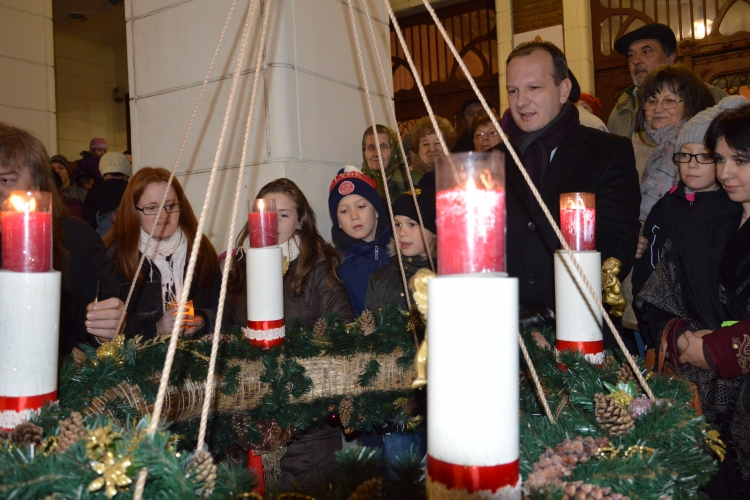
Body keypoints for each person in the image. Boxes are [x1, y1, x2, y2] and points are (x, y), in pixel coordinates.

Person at [501, 41, 641, 351]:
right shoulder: (494, 160)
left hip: (580, 333)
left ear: (563, 90)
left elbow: (616, 243)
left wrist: (551, 309)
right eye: (513, 91)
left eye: (533, 87)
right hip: (505, 332)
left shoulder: (607, 152)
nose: (521, 101)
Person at [641, 102, 750, 499]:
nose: (725, 173)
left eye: (741, 161)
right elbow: (656, 293)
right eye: (720, 159)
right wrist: (681, 337)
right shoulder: (702, 217)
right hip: (701, 396)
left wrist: (717, 349)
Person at [0, 122, 123, 354]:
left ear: (36, 187)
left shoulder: (78, 240)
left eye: (6, 180)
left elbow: (91, 334)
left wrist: (106, 328)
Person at [632, 96, 747, 302]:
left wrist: (723, 333)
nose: (692, 165)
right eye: (684, 155)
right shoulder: (666, 205)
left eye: (705, 156)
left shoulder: (729, 210)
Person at [103, 167, 220, 340]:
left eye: (170, 205)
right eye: (152, 208)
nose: (164, 215)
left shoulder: (200, 248)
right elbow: (105, 327)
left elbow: (221, 309)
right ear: (134, 211)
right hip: (136, 364)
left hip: (194, 359)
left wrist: (202, 320)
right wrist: (156, 326)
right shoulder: (113, 255)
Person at [224, 177, 355, 328]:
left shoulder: (318, 266)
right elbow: (222, 332)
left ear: (299, 222)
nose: (272, 223)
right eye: (266, 214)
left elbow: (342, 327)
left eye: (283, 215)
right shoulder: (238, 267)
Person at [608, 23, 726, 138]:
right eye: (631, 55)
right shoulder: (620, 110)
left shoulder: (711, 96)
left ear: (669, 59)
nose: (635, 61)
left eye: (646, 52)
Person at [634, 65, 715, 220]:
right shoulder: (632, 143)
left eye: (670, 100)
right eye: (652, 101)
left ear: (691, 104)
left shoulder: (705, 144)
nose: (658, 108)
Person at [364, 179, 436, 312]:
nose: (402, 233)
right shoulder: (379, 279)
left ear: (435, 231)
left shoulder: (448, 279)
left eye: (412, 224)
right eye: (397, 224)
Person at [329, 166, 392, 315]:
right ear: (337, 221)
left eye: (361, 206)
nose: (354, 216)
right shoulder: (336, 266)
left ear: (376, 210)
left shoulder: (402, 250)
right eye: (344, 211)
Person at [82, 151, 132, 234]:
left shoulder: (94, 191)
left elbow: (87, 222)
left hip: (101, 242)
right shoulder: (133, 189)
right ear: (127, 173)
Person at [360, 124, 409, 202]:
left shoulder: (411, 182)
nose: (376, 154)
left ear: (393, 151)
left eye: (383, 147)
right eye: (370, 147)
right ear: (364, 152)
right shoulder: (358, 186)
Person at [50, 154, 87, 218]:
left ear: (68, 171)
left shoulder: (83, 194)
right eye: (53, 169)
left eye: (61, 168)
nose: (57, 171)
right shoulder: (47, 195)